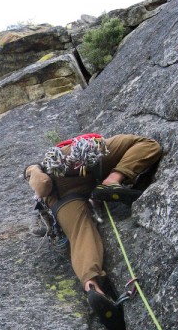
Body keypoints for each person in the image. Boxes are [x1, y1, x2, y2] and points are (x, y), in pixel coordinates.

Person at [24, 134, 162, 313]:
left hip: (59, 192)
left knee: (80, 235)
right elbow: (146, 145)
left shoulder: (40, 167)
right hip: (81, 158)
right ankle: (112, 182)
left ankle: (92, 287)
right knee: (147, 144)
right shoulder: (76, 145)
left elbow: (42, 185)